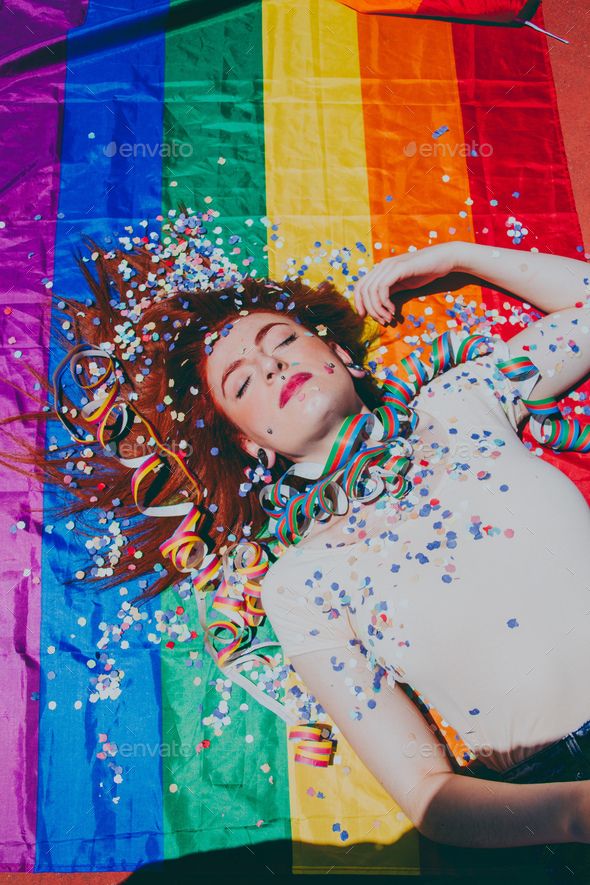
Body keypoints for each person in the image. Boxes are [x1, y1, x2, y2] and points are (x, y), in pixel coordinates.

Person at [5, 218, 590, 857]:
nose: (270, 361)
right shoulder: (299, 584)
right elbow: (427, 795)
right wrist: (575, 813)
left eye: (280, 338)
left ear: (337, 353)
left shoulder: (460, 400)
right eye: (242, 381)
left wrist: (455, 256)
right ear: (250, 442)